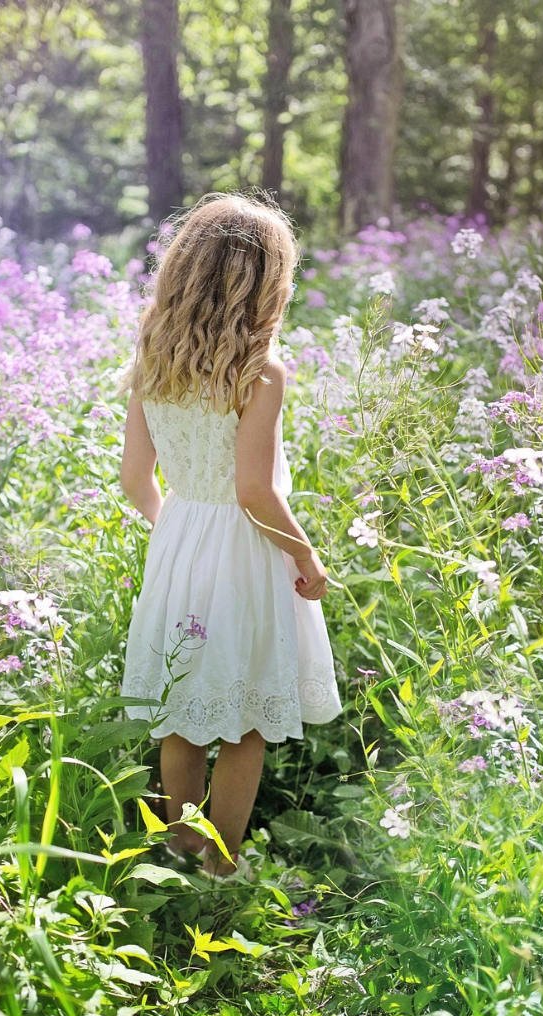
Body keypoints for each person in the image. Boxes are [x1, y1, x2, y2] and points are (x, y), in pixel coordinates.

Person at [117, 191, 342, 878]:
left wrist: (178, 533)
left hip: (180, 540)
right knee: (244, 721)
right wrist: (305, 554)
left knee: (182, 711)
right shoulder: (260, 370)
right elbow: (253, 493)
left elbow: (134, 478)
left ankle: (180, 851)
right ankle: (221, 867)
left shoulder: (155, 351)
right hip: (247, 551)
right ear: (267, 281)